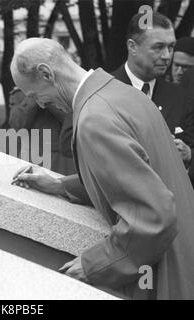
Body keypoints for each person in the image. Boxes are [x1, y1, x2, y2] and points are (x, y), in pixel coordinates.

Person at [11, 37, 194, 299]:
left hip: (164, 277)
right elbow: (138, 174)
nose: (39, 104)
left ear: (46, 73)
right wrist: (62, 185)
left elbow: (154, 217)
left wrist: (93, 264)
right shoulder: (118, 91)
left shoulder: (94, 118)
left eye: (34, 94)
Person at [112, 12, 194, 188]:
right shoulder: (103, 88)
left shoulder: (181, 97)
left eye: (171, 47)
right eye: (158, 47)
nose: (167, 56)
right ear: (132, 47)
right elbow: (69, 144)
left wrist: (188, 154)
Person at [8, 87, 76, 175]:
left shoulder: (64, 90)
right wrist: (32, 100)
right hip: (34, 155)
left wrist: (48, 102)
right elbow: (17, 123)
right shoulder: (20, 93)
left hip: (64, 157)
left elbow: (73, 119)